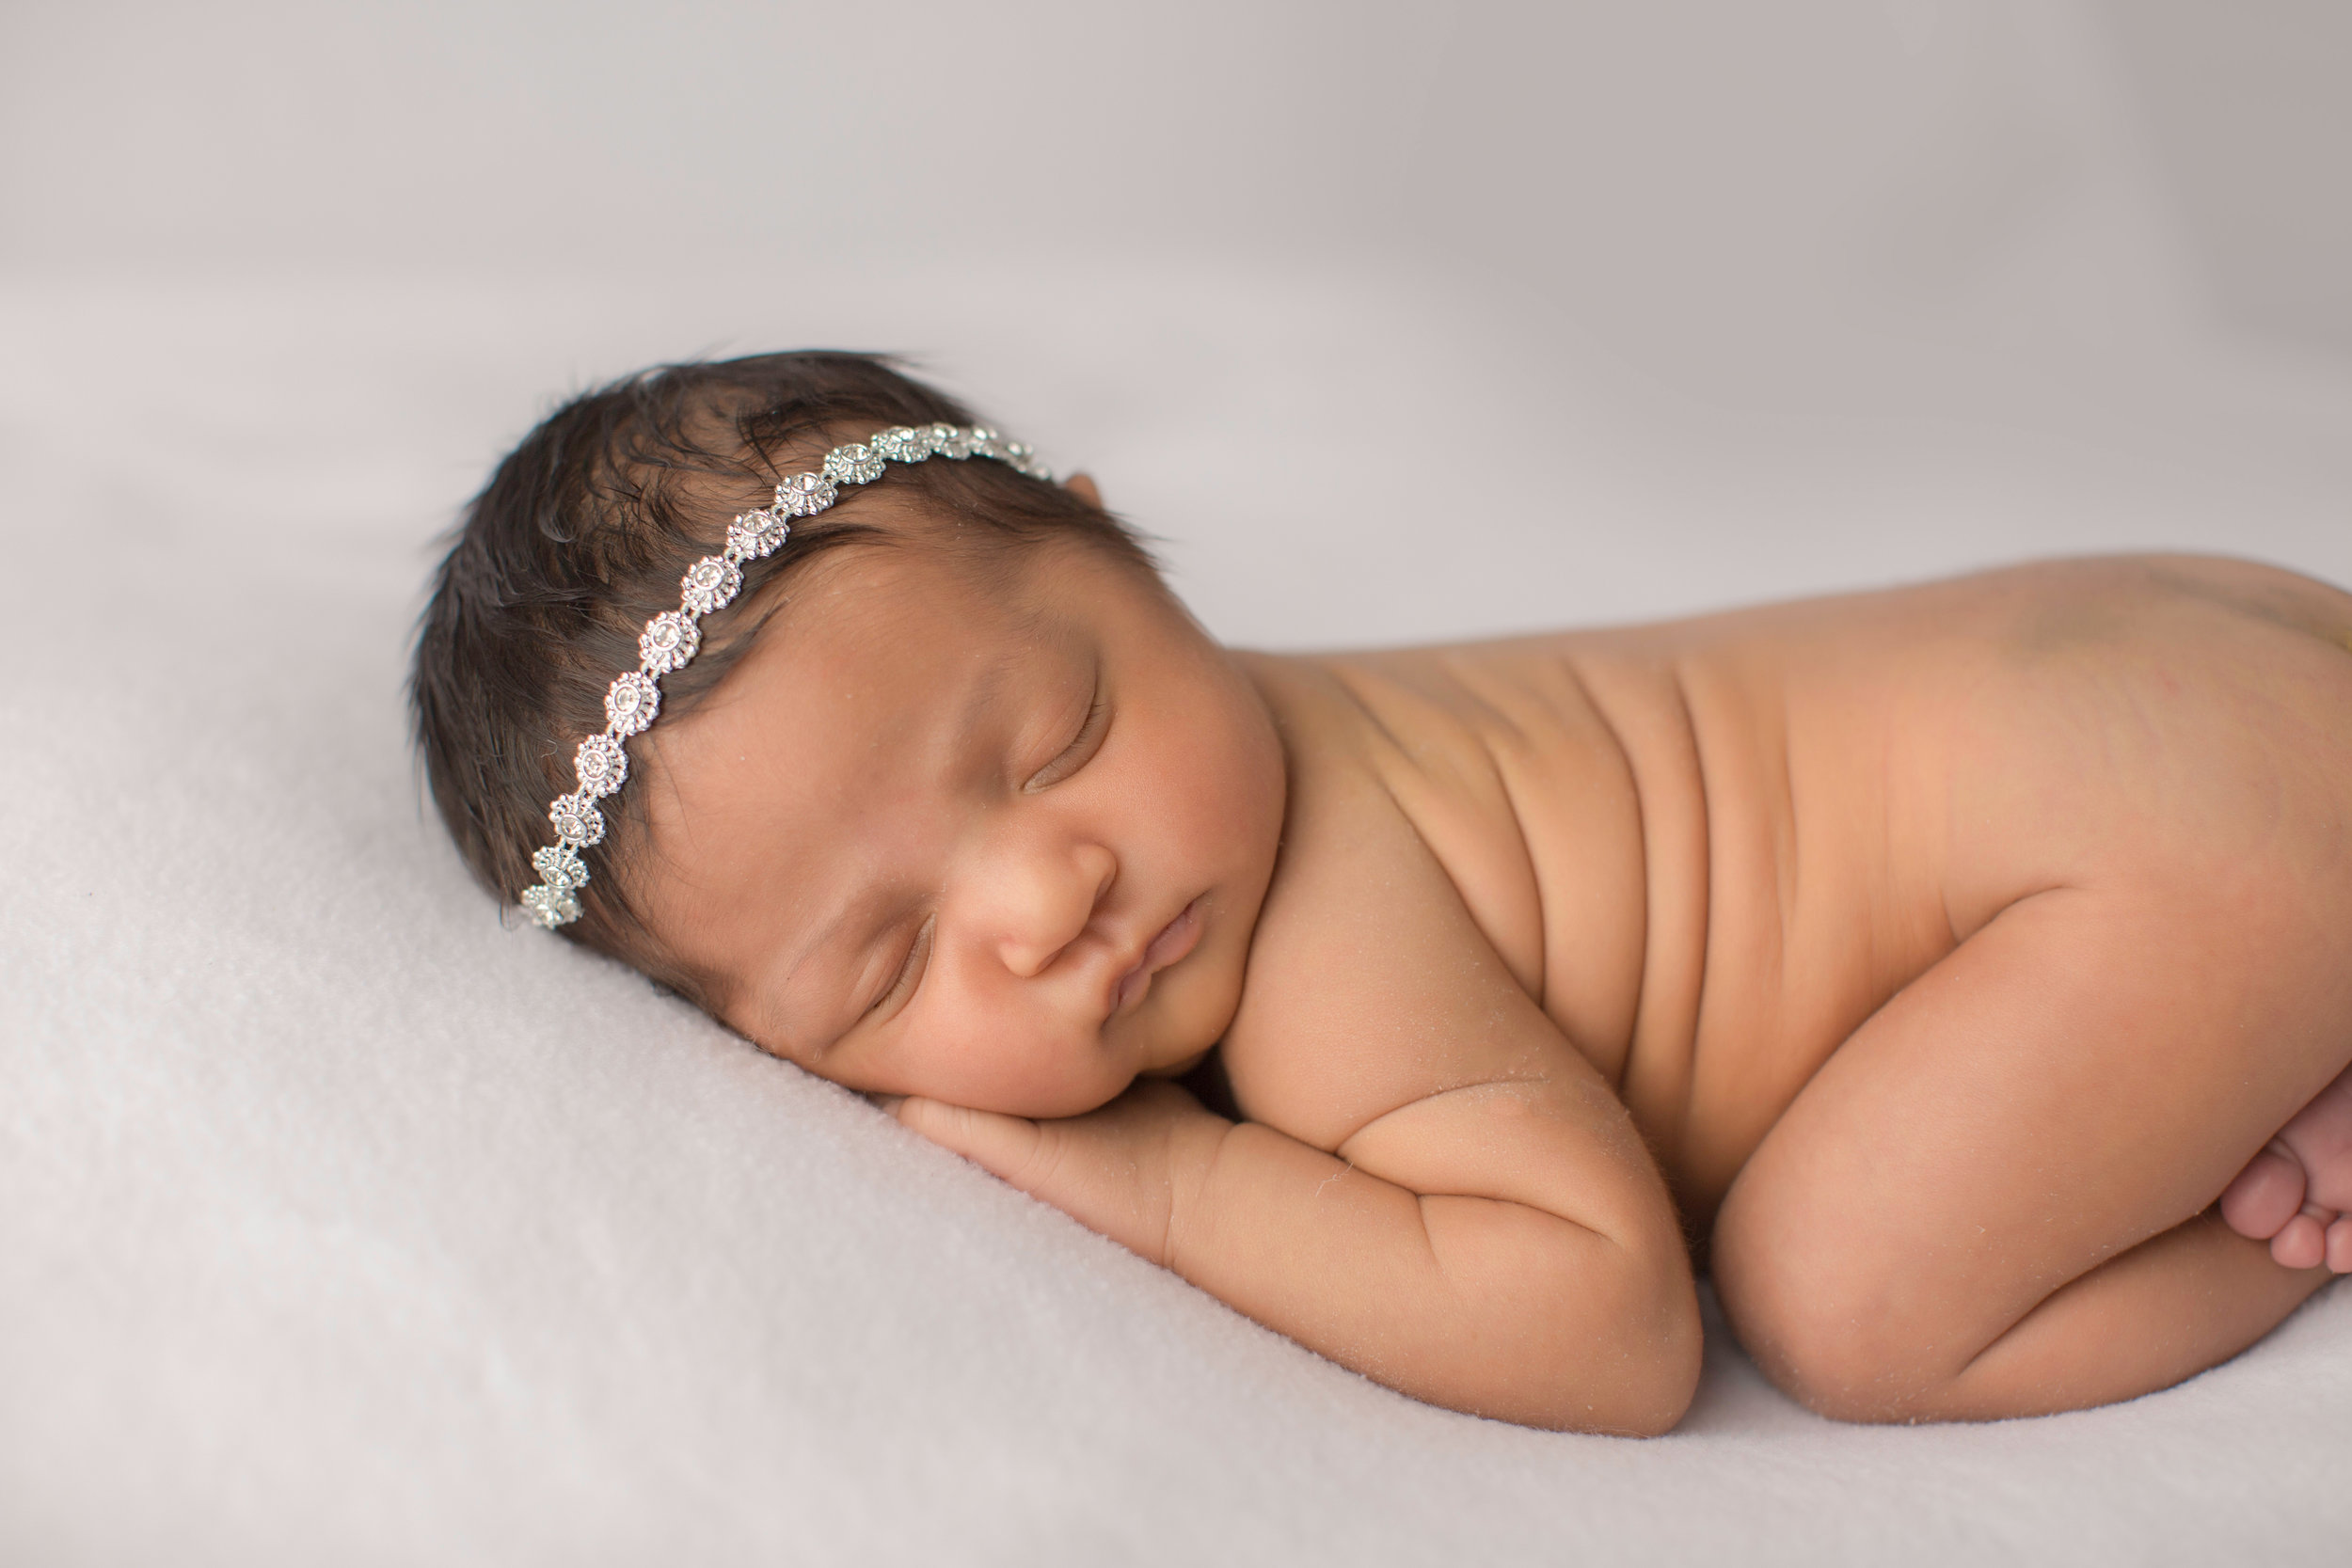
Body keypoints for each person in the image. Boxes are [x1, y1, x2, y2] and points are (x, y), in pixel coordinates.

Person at [411, 352, 2352, 1434]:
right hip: (2178, 662)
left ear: (1116, 548)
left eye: (1056, 738)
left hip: (2171, 818)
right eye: (894, 958)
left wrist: (1153, 1179)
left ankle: (2291, 1145)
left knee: (1839, 1302)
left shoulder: (1319, 915)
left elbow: (1601, 1324)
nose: (1049, 894)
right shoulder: (1233, 757)